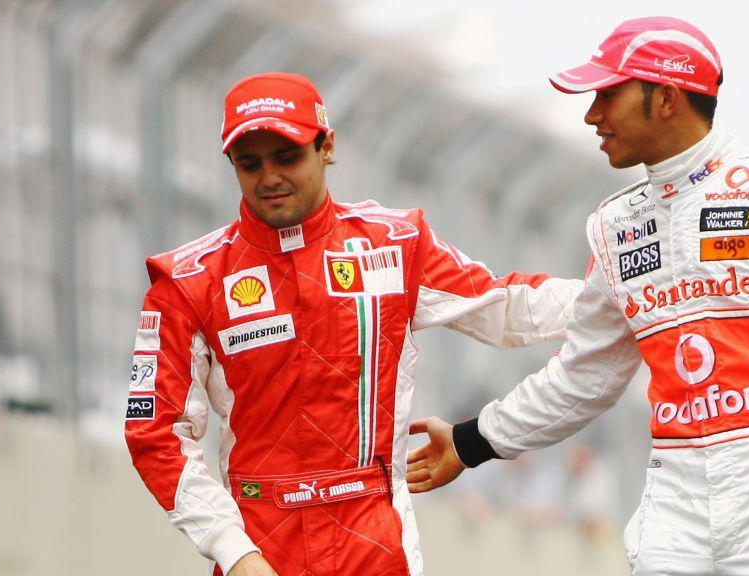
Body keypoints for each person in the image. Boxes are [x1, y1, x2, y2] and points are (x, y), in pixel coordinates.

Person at [407, 16, 749, 576]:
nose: (593, 113)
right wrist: (475, 441)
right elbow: (585, 374)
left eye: (608, 94)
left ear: (665, 96)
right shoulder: (616, 225)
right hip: (677, 493)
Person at [123, 72, 582, 576]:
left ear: (327, 147)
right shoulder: (189, 281)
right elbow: (155, 434)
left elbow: (505, 305)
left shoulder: (395, 244)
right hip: (261, 548)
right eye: (249, 164)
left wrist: (620, 297)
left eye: (287, 157)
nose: (269, 177)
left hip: (376, 542)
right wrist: (233, 551)